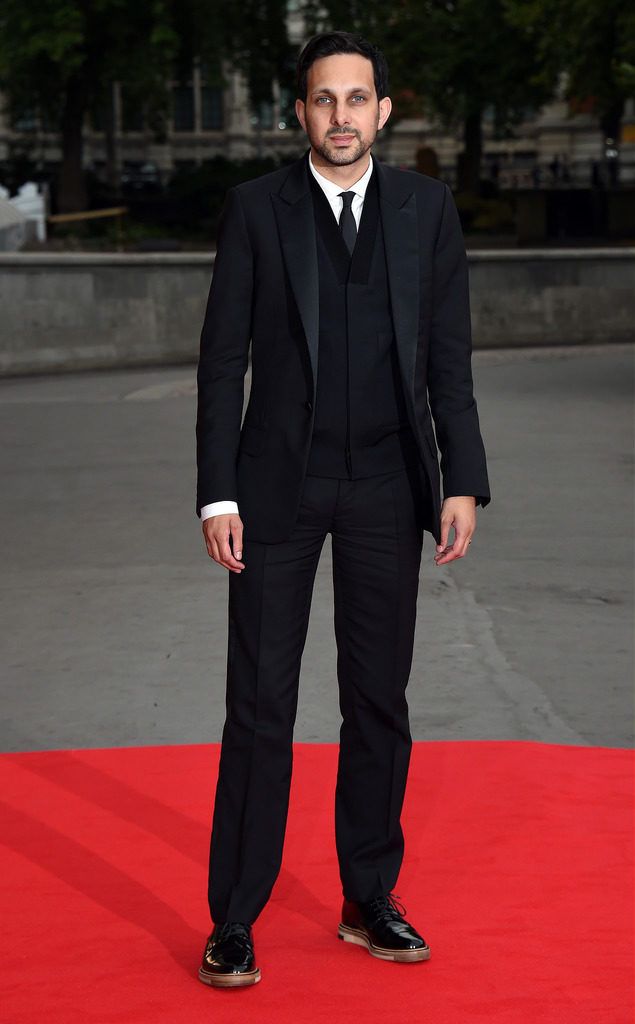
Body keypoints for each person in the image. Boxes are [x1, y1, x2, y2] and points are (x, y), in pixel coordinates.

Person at [195, 30, 490, 988]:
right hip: (275, 489)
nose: (341, 117)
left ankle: (369, 899)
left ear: (383, 111)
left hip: (384, 487)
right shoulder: (254, 211)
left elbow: (449, 357)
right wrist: (217, 491)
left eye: (356, 99)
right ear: (300, 114)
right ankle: (234, 918)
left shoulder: (424, 210)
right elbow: (221, 361)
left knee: (376, 703)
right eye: (324, 101)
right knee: (259, 708)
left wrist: (459, 478)